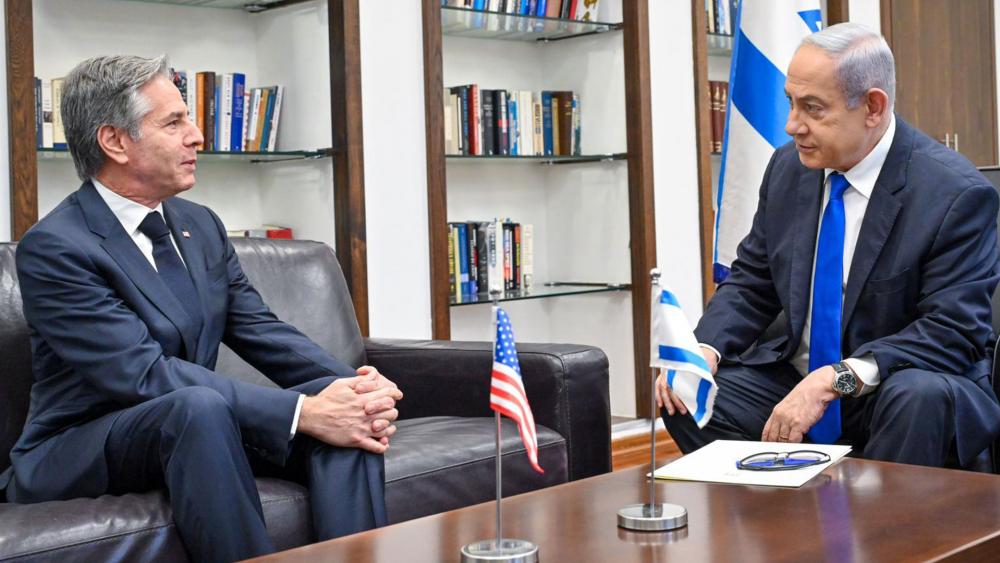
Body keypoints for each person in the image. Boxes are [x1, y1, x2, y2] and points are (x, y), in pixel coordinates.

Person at [0, 55, 402, 562]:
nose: (197, 136)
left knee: (342, 414)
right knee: (201, 405)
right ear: (115, 141)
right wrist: (304, 412)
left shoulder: (200, 225)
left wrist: (355, 388)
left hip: (193, 429)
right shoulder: (57, 247)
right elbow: (142, 376)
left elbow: (258, 328)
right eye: (174, 122)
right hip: (82, 445)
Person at [658, 23, 1000, 468]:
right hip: (794, 380)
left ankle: (882, 532)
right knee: (689, 397)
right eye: (790, 103)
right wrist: (703, 350)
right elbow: (752, 282)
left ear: (873, 107)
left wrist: (833, 380)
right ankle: (788, 519)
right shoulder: (788, 169)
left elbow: (951, 331)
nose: (791, 125)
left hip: (893, 385)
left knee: (918, 396)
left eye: (812, 108)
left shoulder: (954, 194)